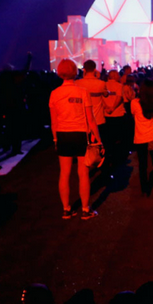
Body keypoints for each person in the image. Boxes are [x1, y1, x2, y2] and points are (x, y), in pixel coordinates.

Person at [48, 59, 99, 219]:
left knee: (64, 173)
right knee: (83, 173)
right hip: (80, 134)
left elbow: (54, 122)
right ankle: (85, 209)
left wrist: (55, 140)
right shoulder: (82, 92)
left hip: (63, 134)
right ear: (75, 72)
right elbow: (91, 120)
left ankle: (66, 209)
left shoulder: (54, 93)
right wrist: (98, 140)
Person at [132, 79, 153, 197]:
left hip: (140, 137)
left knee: (143, 165)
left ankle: (144, 189)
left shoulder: (134, 103)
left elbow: (134, 116)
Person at [75, 60, 108, 132]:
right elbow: (106, 95)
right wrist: (98, 78)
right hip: (98, 119)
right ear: (95, 69)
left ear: (84, 70)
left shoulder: (77, 83)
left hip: (83, 119)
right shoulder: (101, 83)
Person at [103, 71, 126, 170]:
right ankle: (116, 159)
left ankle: (108, 157)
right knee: (117, 138)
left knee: (108, 138)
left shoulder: (103, 85)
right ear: (115, 76)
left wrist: (106, 107)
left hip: (106, 114)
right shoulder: (119, 85)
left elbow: (101, 98)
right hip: (118, 114)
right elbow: (119, 97)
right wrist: (113, 108)